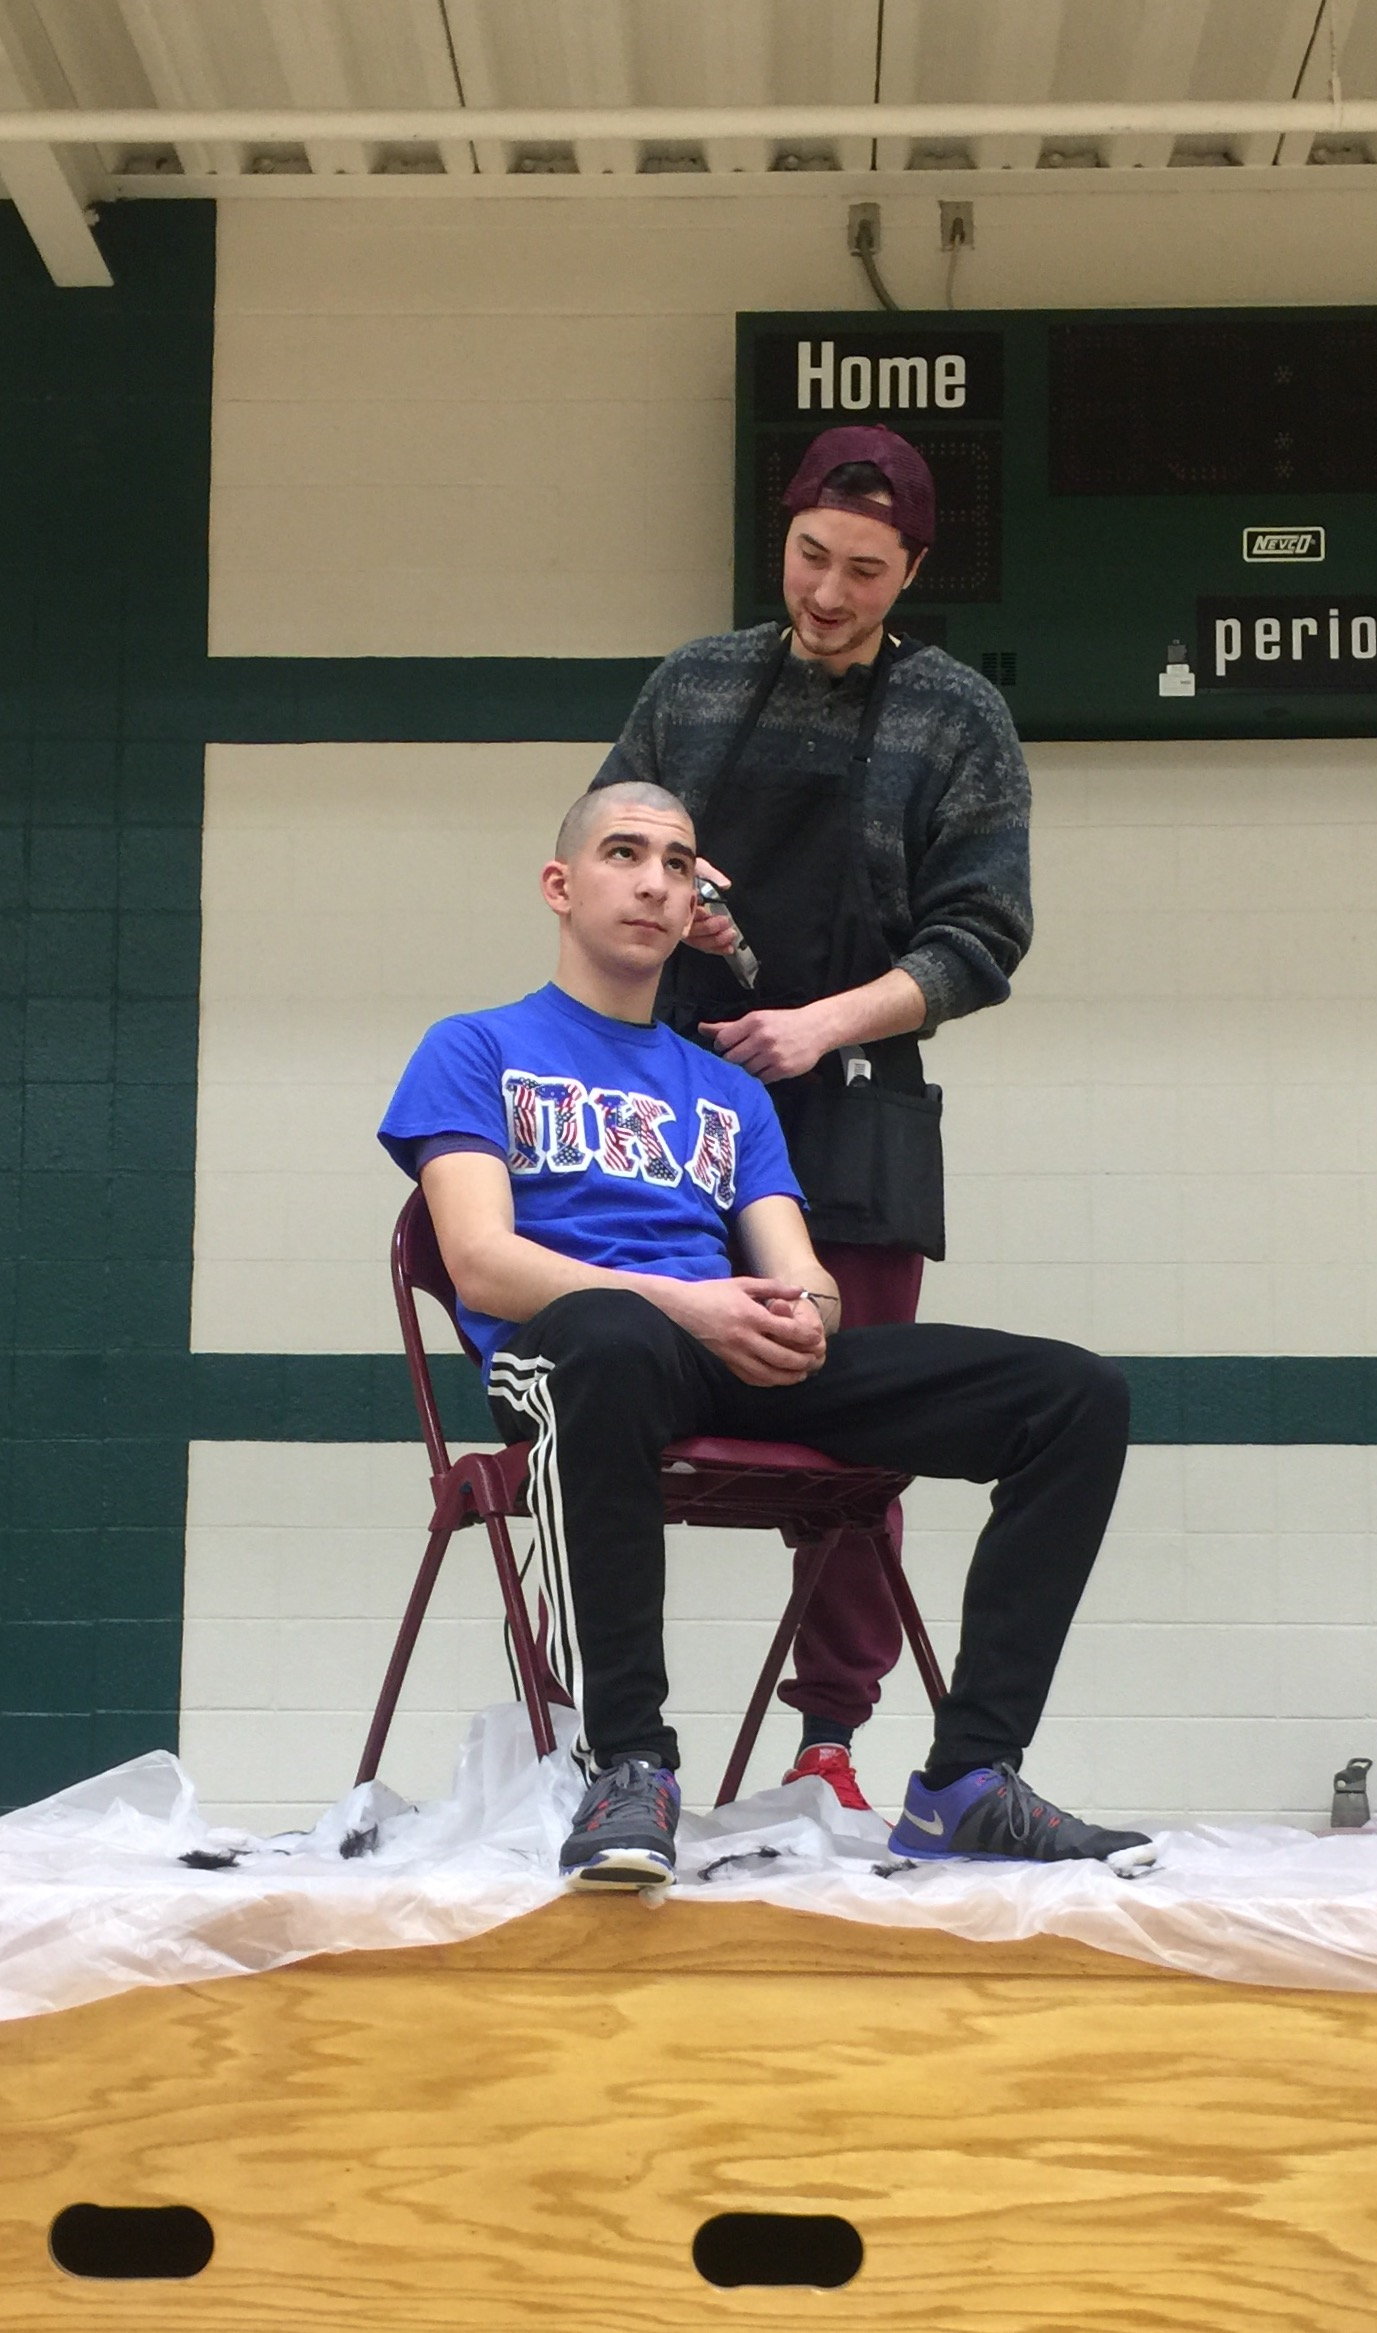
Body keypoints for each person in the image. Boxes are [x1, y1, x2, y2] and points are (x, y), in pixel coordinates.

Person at [378, 779, 1153, 1892]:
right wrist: (686, 1301)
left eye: (679, 862)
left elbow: (806, 1277)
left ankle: (969, 1780)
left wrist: (795, 1316)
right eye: (625, 853)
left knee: (1074, 1394)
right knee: (605, 1329)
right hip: (581, 1356)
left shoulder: (725, 1093)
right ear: (561, 884)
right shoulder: (474, 1046)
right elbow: (481, 1260)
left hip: (724, 1355)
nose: (655, 880)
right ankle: (630, 1765)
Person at [592, 424, 1032, 1813]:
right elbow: (606, 844)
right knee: (614, 1392)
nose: (830, 592)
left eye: (865, 570)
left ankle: (831, 1737)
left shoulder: (960, 716)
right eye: (809, 557)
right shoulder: (696, 684)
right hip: (663, 1107)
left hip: (853, 1119)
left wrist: (820, 1023)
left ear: (912, 570)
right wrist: (672, 890)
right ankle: (614, 1741)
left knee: (855, 1440)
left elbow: (986, 938)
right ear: (781, 534)